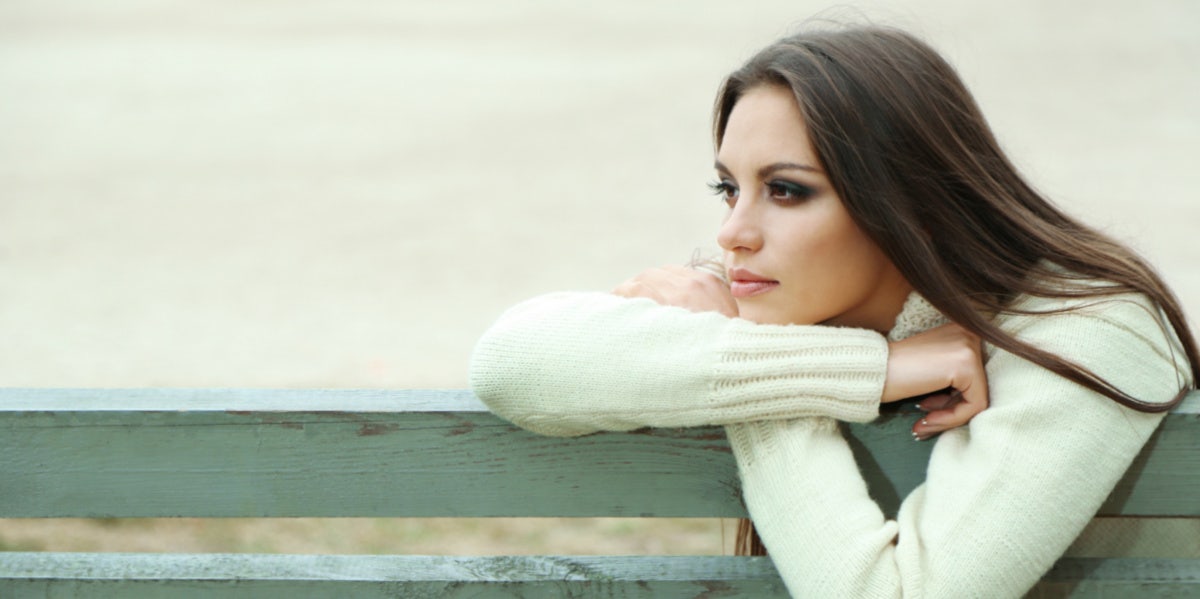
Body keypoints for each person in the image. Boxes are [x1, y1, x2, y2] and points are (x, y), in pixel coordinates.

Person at [468, 25, 1197, 598]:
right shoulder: (797, 297)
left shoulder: (1092, 325)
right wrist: (872, 367)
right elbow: (513, 360)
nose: (733, 232)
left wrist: (754, 373)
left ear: (905, 200)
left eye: (786, 190)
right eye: (728, 188)